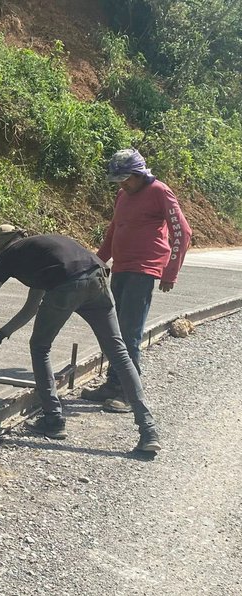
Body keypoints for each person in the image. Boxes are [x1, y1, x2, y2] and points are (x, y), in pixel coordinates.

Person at [0, 224, 162, 454]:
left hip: (67, 285)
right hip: (97, 278)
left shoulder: (9, 254)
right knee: (119, 354)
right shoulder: (40, 249)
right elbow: (31, 307)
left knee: (40, 347)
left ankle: (54, 419)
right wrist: (1, 334)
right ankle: (148, 430)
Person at [81, 149, 192, 412]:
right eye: (119, 180)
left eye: (127, 179)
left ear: (141, 174)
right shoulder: (123, 194)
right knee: (115, 331)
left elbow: (182, 232)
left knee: (129, 333)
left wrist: (170, 271)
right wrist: (98, 262)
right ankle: (113, 383)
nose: (123, 184)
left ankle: (130, 394)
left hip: (143, 270)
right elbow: (113, 230)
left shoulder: (159, 191)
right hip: (121, 268)